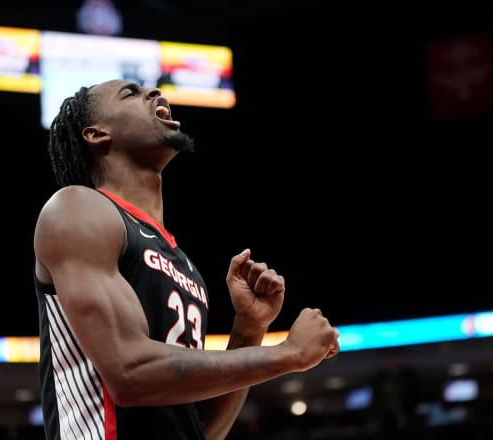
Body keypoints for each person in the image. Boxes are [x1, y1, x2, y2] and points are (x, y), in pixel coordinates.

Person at [33, 79, 340, 440]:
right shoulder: (77, 208)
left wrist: (249, 328)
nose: (154, 93)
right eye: (130, 93)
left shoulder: (182, 264)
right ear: (96, 134)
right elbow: (130, 374)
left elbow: (204, 430)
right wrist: (289, 354)